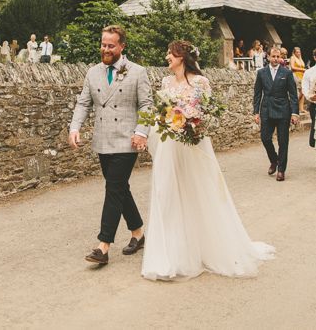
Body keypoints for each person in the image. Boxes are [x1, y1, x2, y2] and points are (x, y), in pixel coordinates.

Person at [142, 40, 275, 280]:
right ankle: (173, 255)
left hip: (193, 146)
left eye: (169, 54)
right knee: (170, 194)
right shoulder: (165, 82)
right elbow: (161, 113)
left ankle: (206, 247)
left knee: (199, 192)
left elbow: (206, 115)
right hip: (169, 147)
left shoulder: (201, 82)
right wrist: (166, 122)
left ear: (181, 56)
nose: (166, 57)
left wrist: (190, 123)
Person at [68, 25, 151, 266]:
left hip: (128, 140)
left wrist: (141, 132)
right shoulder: (92, 72)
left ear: (122, 46)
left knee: (113, 188)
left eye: (111, 46)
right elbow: (84, 103)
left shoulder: (137, 72)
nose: (105, 49)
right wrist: (75, 128)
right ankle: (138, 233)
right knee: (119, 188)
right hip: (102, 141)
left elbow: (146, 105)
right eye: (103, 45)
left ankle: (103, 246)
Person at [253, 46, 299, 181]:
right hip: (266, 109)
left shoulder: (287, 73)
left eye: (278, 57)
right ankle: (274, 160)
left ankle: (281, 170)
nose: (276, 59)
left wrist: (295, 113)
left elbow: (293, 95)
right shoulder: (261, 73)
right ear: (268, 57)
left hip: (283, 110)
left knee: (283, 141)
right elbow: (257, 94)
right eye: (273, 56)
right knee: (265, 138)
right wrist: (256, 112)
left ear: (281, 58)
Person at [302, 48, 316, 148]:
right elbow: (305, 88)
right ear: (315, 57)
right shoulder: (309, 72)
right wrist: (311, 97)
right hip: (314, 105)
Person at [289, 47, 306, 114]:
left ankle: (301, 108)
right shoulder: (293, 58)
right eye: (297, 52)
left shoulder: (300, 59)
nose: (299, 53)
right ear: (294, 52)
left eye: (299, 52)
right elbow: (292, 67)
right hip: (296, 75)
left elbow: (303, 67)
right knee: (299, 92)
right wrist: (303, 70)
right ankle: (293, 106)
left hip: (302, 76)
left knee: (303, 92)